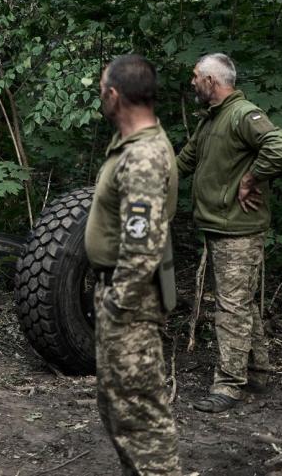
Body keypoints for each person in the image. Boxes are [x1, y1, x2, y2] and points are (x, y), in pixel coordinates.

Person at [177, 53, 282, 413]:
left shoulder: (244, 114)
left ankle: (228, 386)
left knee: (230, 309)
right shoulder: (211, 120)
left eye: (196, 77)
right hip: (219, 225)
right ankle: (257, 371)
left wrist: (250, 178)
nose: (192, 82)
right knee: (240, 302)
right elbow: (185, 161)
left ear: (212, 81)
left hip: (238, 230)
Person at [86, 54, 181, 475]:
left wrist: (117, 306)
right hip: (123, 298)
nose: (100, 97)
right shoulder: (132, 148)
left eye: (102, 89)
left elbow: (142, 247)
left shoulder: (143, 157)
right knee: (119, 410)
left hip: (132, 305)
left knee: (141, 420)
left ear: (114, 95)